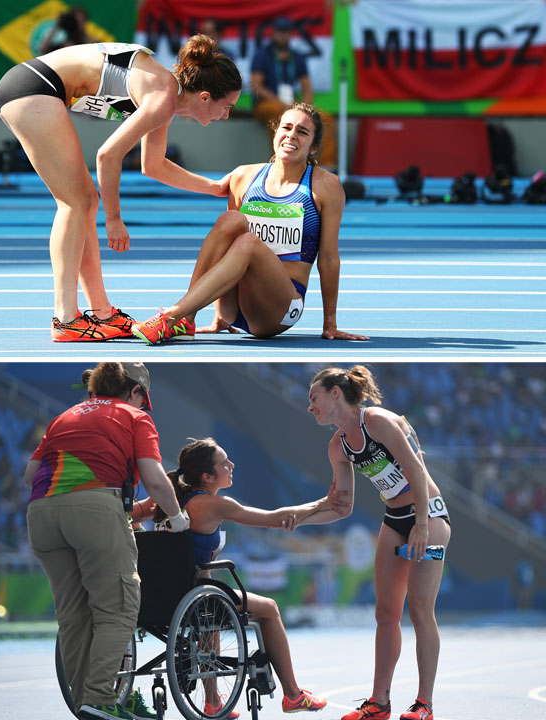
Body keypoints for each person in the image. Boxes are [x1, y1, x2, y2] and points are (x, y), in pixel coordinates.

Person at [0, 36, 241, 342]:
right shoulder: (163, 98)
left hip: (33, 88)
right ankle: (66, 318)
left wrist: (214, 187)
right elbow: (107, 155)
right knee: (76, 202)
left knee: (83, 200)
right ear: (205, 97)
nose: (226, 115)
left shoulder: (166, 97)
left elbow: (154, 166)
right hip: (33, 87)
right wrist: (114, 219)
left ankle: (103, 313)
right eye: (227, 106)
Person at [26, 362, 189, 720]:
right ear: (134, 392)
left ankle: (88, 700)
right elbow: (156, 479)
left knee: (73, 616)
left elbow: (29, 474)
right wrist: (178, 519)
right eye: (142, 400)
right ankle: (100, 697)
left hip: (40, 514)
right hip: (96, 508)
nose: (143, 407)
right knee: (118, 608)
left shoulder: (63, 417)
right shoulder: (134, 416)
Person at [129, 103, 368, 344]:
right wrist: (219, 315)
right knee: (231, 220)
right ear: (275, 133)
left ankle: (174, 315)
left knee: (249, 243)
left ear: (314, 147)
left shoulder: (325, 185)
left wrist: (330, 324)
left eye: (302, 132)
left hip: (280, 309)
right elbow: (224, 247)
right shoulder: (244, 176)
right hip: (237, 304)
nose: (292, 134)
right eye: (286, 127)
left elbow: (327, 258)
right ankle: (187, 317)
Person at [133, 438, 332, 717]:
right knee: (268, 609)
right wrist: (324, 503)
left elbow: (129, 517)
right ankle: (293, 695)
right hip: (193, 597)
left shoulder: (166, 500)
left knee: (210, 601)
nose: (232, 465)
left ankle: (213, 700)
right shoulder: (215, 505)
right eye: (224, 463)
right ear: (207, 476)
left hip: (158, 597)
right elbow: (273, 518)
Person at [300, 366, 452, 720]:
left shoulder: (378, 421)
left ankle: (424, 704)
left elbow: (415, 470)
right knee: (385, 613)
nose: (310, 408)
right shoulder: (337, 446)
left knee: (419, 609)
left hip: (428, 516)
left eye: (314, 398)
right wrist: (297, 516)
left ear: (335, 393)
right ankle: (379, 703)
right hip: (395, 521)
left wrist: (421, 525)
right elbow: (341, 505)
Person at [250, 17, 335, 168]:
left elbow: (307, 88)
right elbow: (257, 86)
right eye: (280, 32)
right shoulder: (263, 54)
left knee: (324, 118)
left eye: (286, 33)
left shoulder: (297, 57)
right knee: (279, 114)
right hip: (267, 104)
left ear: (291, 35)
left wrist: (305, 108)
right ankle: (281, 162)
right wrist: (280, 102)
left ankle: (327, 166)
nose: (283, 36)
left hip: (291, 105)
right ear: (274, 34)